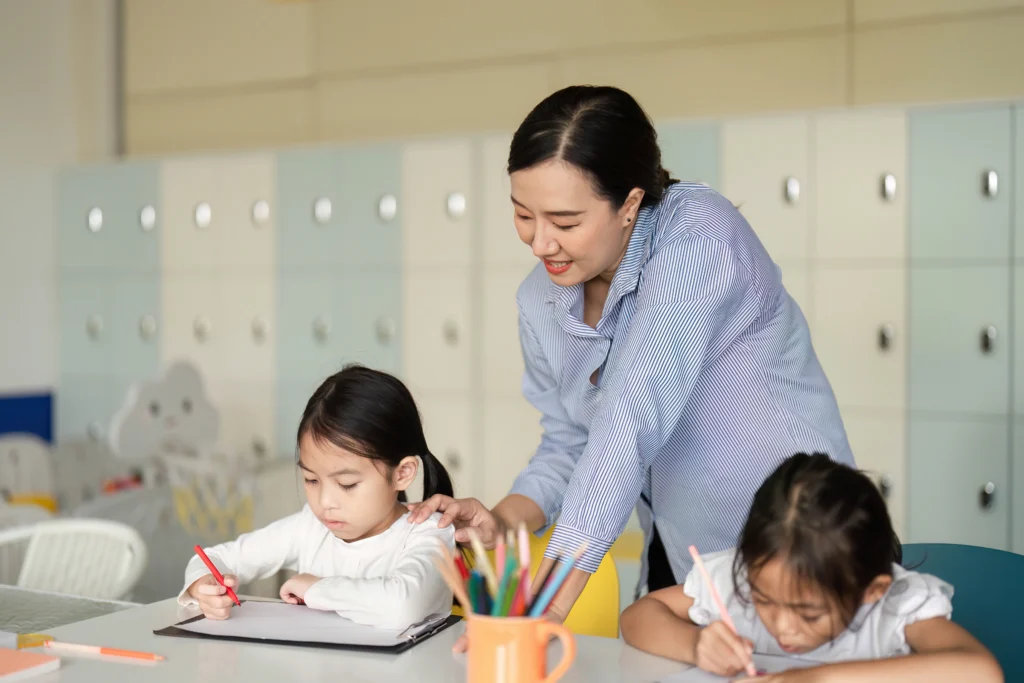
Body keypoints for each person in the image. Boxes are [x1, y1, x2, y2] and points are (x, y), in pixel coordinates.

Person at [408, 85, 854, 631]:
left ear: (630, 204)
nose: (540, 243)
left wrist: (545, 604)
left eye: (565, 223)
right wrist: (503, 520)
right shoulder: (541, 300)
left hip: (807, 546)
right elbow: (572, 441)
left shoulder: (700, 235)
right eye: (524, 215)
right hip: (687, 557)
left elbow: (630, 415)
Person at [619, 453, 1003, 682]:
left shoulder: (892, 609)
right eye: (763, 599)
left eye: (809, 613)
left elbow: (982, 672)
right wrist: (696, 644)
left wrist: (816, 678)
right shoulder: (737, 581)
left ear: (871, 591)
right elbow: (637, 617)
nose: (782, 626)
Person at [179, 365, 457, 631]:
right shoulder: (310, 526)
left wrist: (316, 588)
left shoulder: (429, 532)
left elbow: (403, 606)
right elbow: (213, 557)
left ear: (402, 473)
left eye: (347, 484)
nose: (324, 502)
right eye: (311, 480)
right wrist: (204, 586)